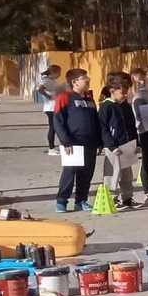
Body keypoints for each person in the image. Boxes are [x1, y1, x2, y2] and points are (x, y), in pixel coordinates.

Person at [52, 69, 102, 213]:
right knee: (70, 172)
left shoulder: (89, 99)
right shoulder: (64, 97)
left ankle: (81, 200)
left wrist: (99, 142)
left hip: (90, 142)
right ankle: (61, 201)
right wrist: (66, 141)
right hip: (73, 142)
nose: (88, 79)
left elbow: (95, 121)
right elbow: (58, 121)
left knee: (86, 173)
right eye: (84, 78)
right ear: (74, 82)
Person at [98, 74, 140, 209]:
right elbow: (103, 128)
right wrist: (111, 146)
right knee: (113, 173)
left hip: (127, 146)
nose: (125, 94)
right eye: (122, 91)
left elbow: (132, 126)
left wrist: (137, 144)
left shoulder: (126, 106)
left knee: (127, 175)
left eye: (127, 91)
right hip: (114, 147)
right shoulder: (106, 107)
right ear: (112, 91)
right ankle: (112, 198)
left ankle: (128, 198)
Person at [36, 64, 63, 154]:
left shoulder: (53, 80)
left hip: (54, 106)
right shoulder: (46, 81)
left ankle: (57, 146)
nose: (60, 75)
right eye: (59, 73)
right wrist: (48, 96)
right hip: (50, 107)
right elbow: (39, 89)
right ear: (54, 72)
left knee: (56, 127)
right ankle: (51, 149)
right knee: (53, 127)